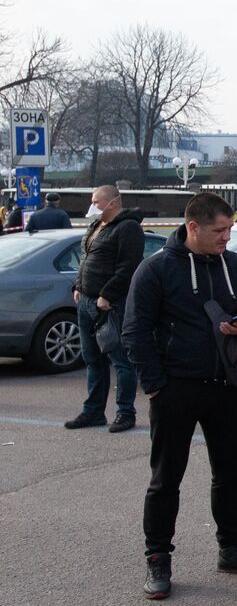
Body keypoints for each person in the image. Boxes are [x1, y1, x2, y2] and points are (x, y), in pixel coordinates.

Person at [124, 192, 237, 600]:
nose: (227, 237)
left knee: (230, 473)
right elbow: (134, 332)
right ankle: (157, 557)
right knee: (166, 478)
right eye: (219, 230)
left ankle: (231, 548)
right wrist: (156, 385)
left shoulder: (236, 265)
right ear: (193, 228)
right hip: (176, 389)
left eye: (230, 229)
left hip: (228, 388)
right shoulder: (155, 270)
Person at [65, 185, 146, 433]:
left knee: (120, 360)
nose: (92, 206)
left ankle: (125, 412)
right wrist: (78, 286)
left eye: (96, 201)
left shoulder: (128, 228)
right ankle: (93, 411)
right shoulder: (96, 227)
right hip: (86, 302)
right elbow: (86, 260)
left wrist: (107, 295)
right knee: (92, 360)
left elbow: (128, 266)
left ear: (112, 203)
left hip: (110, 305)